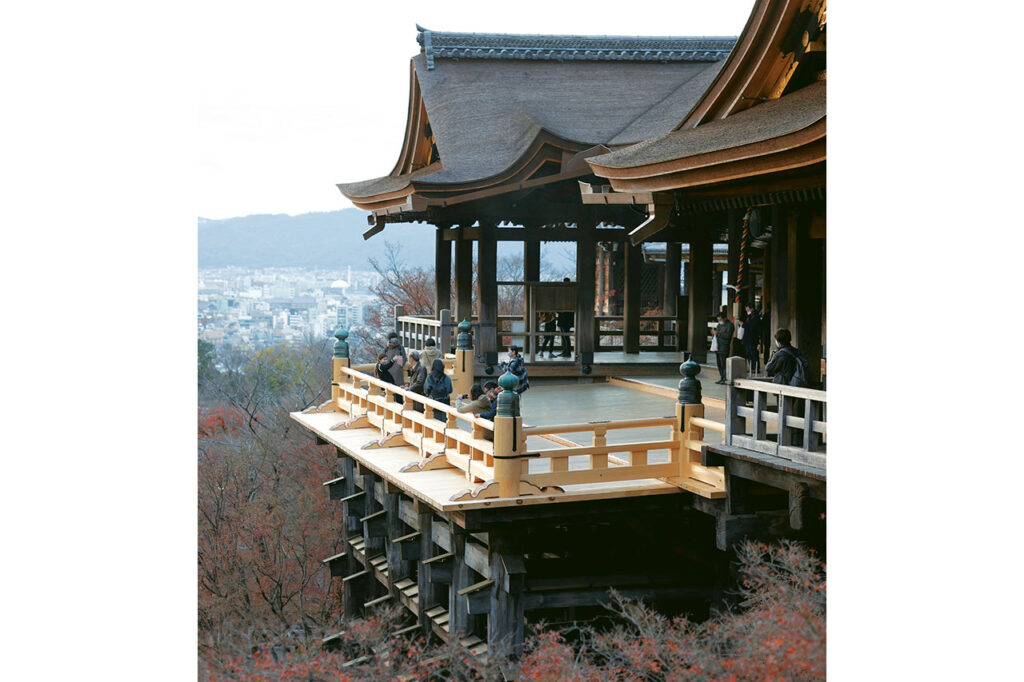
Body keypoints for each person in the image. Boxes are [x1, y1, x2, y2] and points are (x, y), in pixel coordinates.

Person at [712, 311, 734, 384]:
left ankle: (725, 378)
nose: (719, 321)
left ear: (724, 318)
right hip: (717, 346)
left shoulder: (730, 325)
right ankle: (722, 377)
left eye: (720, 319)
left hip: (724, 346)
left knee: (723, 363)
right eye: (718, 320)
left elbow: (728, 336)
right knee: (719, 364)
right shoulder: (719, 325)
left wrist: (718, 333)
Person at [741, 303, 762, 374]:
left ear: (752, 309)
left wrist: (743, 325)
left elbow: (752, 327)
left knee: (753, 353)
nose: (747, 311)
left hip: (753, 338)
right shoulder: (749, 316)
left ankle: (755, 368)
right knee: (748, 353)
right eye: (746, 309)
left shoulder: (756, 317)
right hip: (748, 338)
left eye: (748, 309)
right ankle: (751, 367)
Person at [557, 278, 574, 357]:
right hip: (567, 319)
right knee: (565, 336)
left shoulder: (565, 294)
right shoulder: (571, 293)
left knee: (565, 336)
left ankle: (567, 352)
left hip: (564, 319)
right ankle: (565, 351)